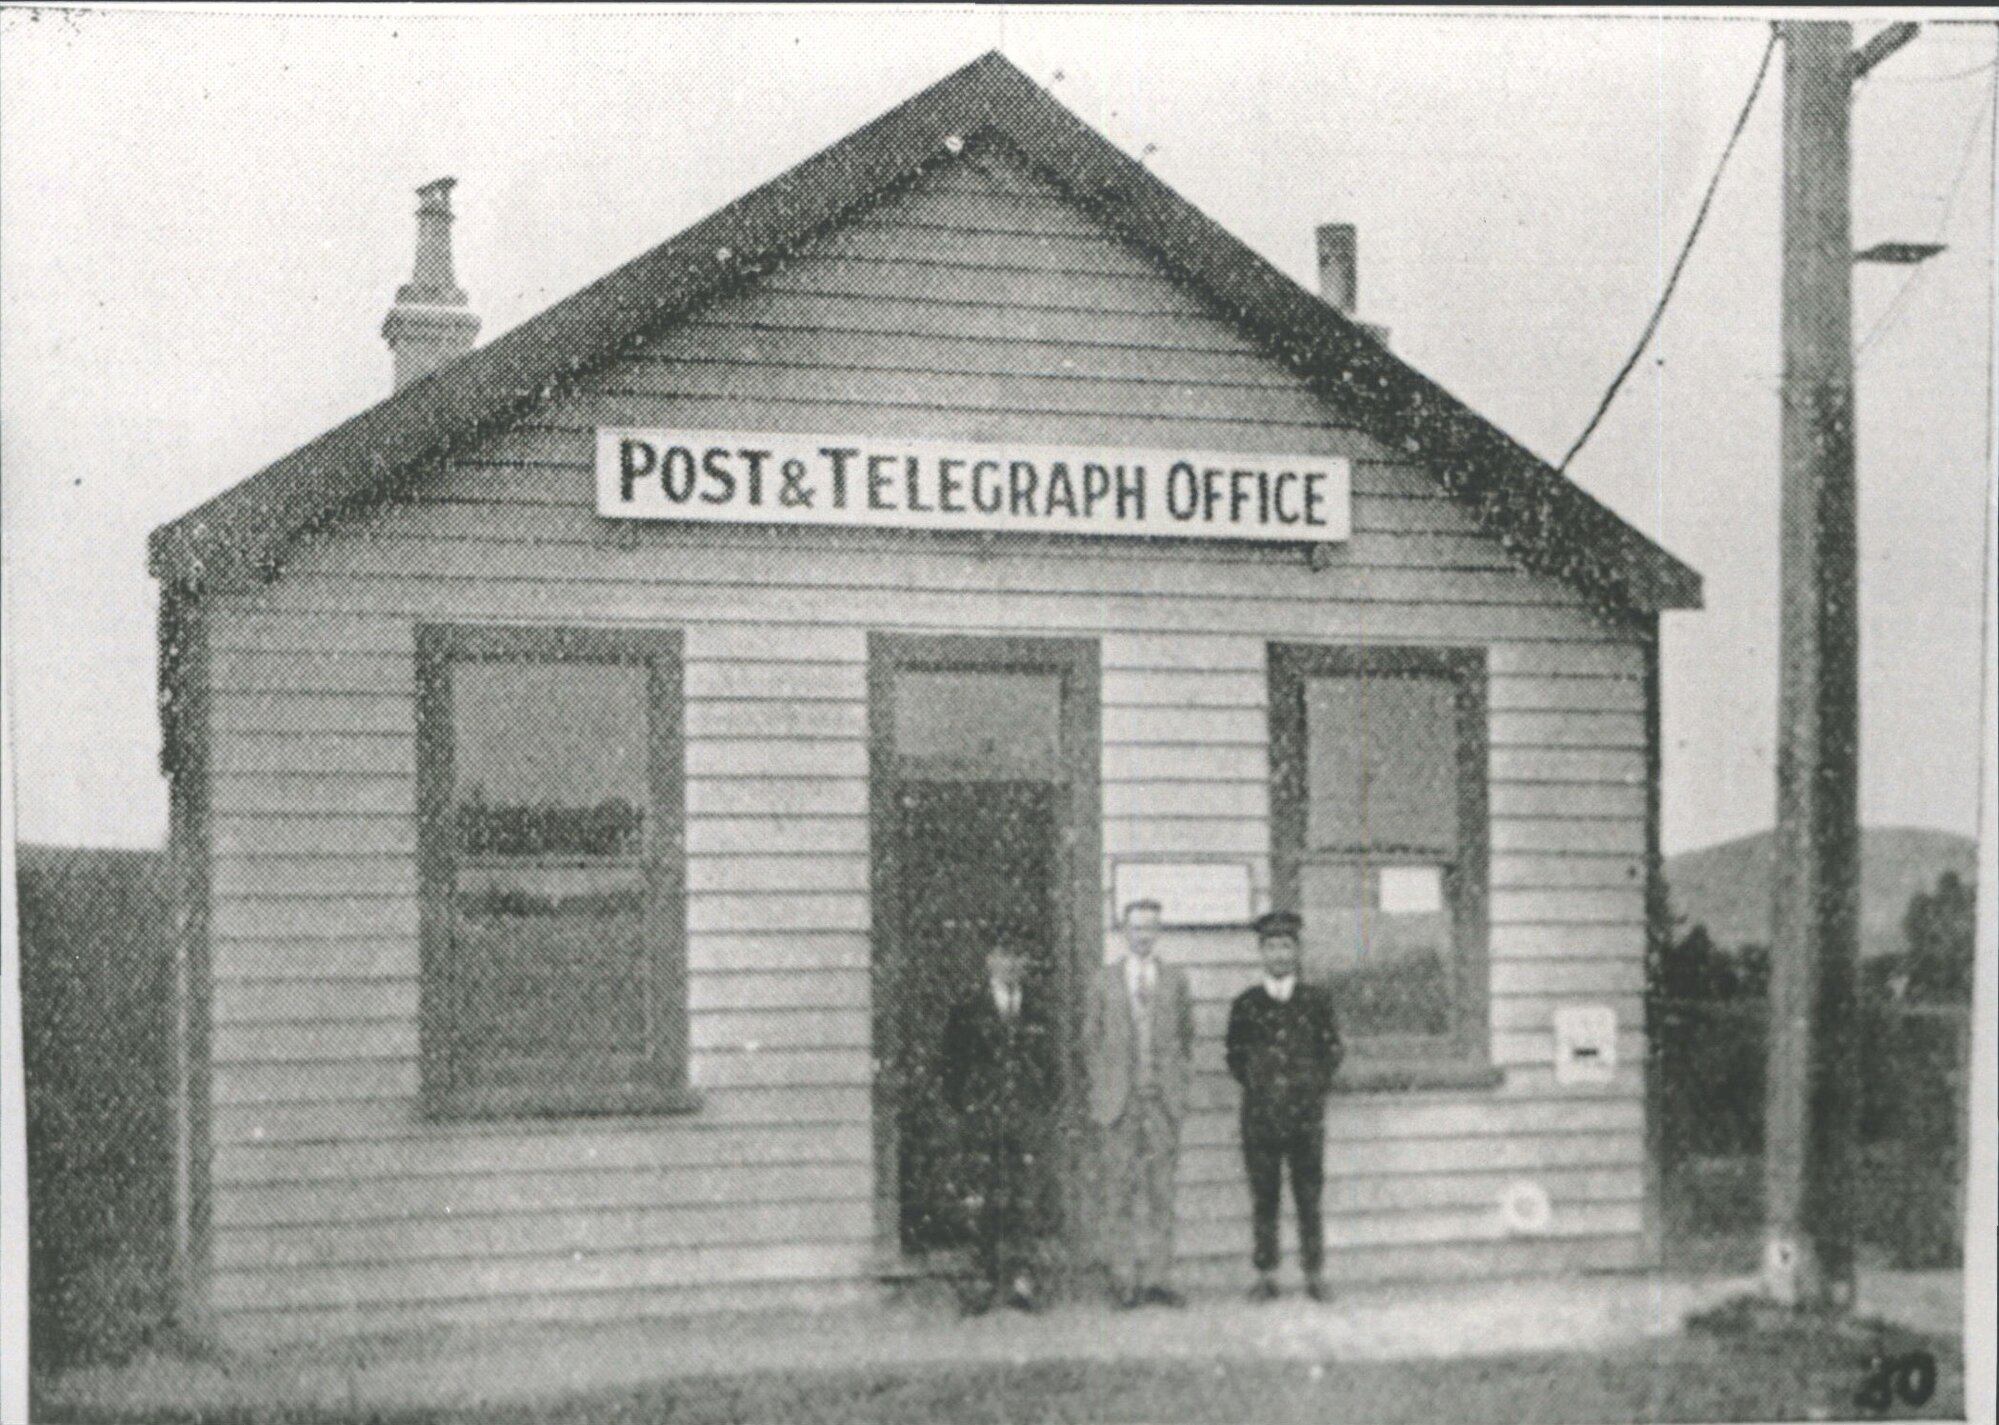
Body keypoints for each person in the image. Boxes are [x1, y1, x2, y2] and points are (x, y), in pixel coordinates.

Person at [1225, 910, 1343, 1302]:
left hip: (1305, 1119)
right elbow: (1235, 1058)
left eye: (1286, 946)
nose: (1279, 954)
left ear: (1297, 951)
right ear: (1262, 953)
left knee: (1309, 1196)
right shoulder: (1246, 1004)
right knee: (1265, 1197)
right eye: (1271, 947)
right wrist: (1263, 1089)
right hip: (1260, 1119)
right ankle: (1266, 1274)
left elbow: (1331, 1053)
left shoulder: (1316, 1001)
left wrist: (1308, 1090)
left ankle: (1314, 1273)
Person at [1085, 898, 1195, 1308]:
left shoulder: (1175, 979)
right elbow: (1090, 1041)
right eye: (1136, 928)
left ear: (1159, 932)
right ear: (1123, 932)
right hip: (1120, 1105)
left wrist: (1176, 1091)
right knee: (1120, 1194)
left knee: (1162, 1194)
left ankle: (1159, 1279)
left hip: (1161, 1104)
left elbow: (1186, 1038)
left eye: (1151, 927)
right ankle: (1124, 1281)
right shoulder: (1105, 981)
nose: (1143, 935)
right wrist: (1107, 1088)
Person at [940, 943, 1057, 1315]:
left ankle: (1023, 1280)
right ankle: (984, 1280)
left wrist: (1039, 1108)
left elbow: (1051, 1067)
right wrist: (968, 1109)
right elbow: (950, 1067)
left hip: (1024, 1119)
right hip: (982, 1120)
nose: (1011, 964)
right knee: (982, 1200)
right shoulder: (967, 1010)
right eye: (1003, 955)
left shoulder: (1038, 1010)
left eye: (1018, 956)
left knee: (1025, 1200)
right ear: (989, 960)